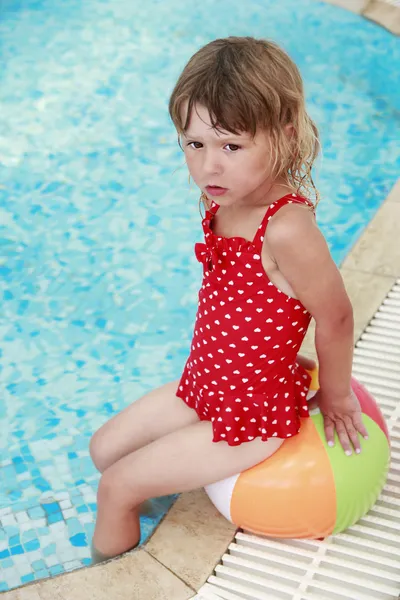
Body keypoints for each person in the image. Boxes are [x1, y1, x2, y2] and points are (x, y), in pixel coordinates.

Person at [89, 36, 368, 563]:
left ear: (284, 137)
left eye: (230, 146)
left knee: (115, 487)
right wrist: (279, 348)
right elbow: (255, 309)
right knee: (102, 452)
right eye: (194, 144)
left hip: (248, 419)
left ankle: (110, 571)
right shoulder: (228, 196)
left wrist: (335, 396)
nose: (208, 167)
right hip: (203, 386)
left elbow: (336, 315)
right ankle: (159, 496)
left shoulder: (286, 227)